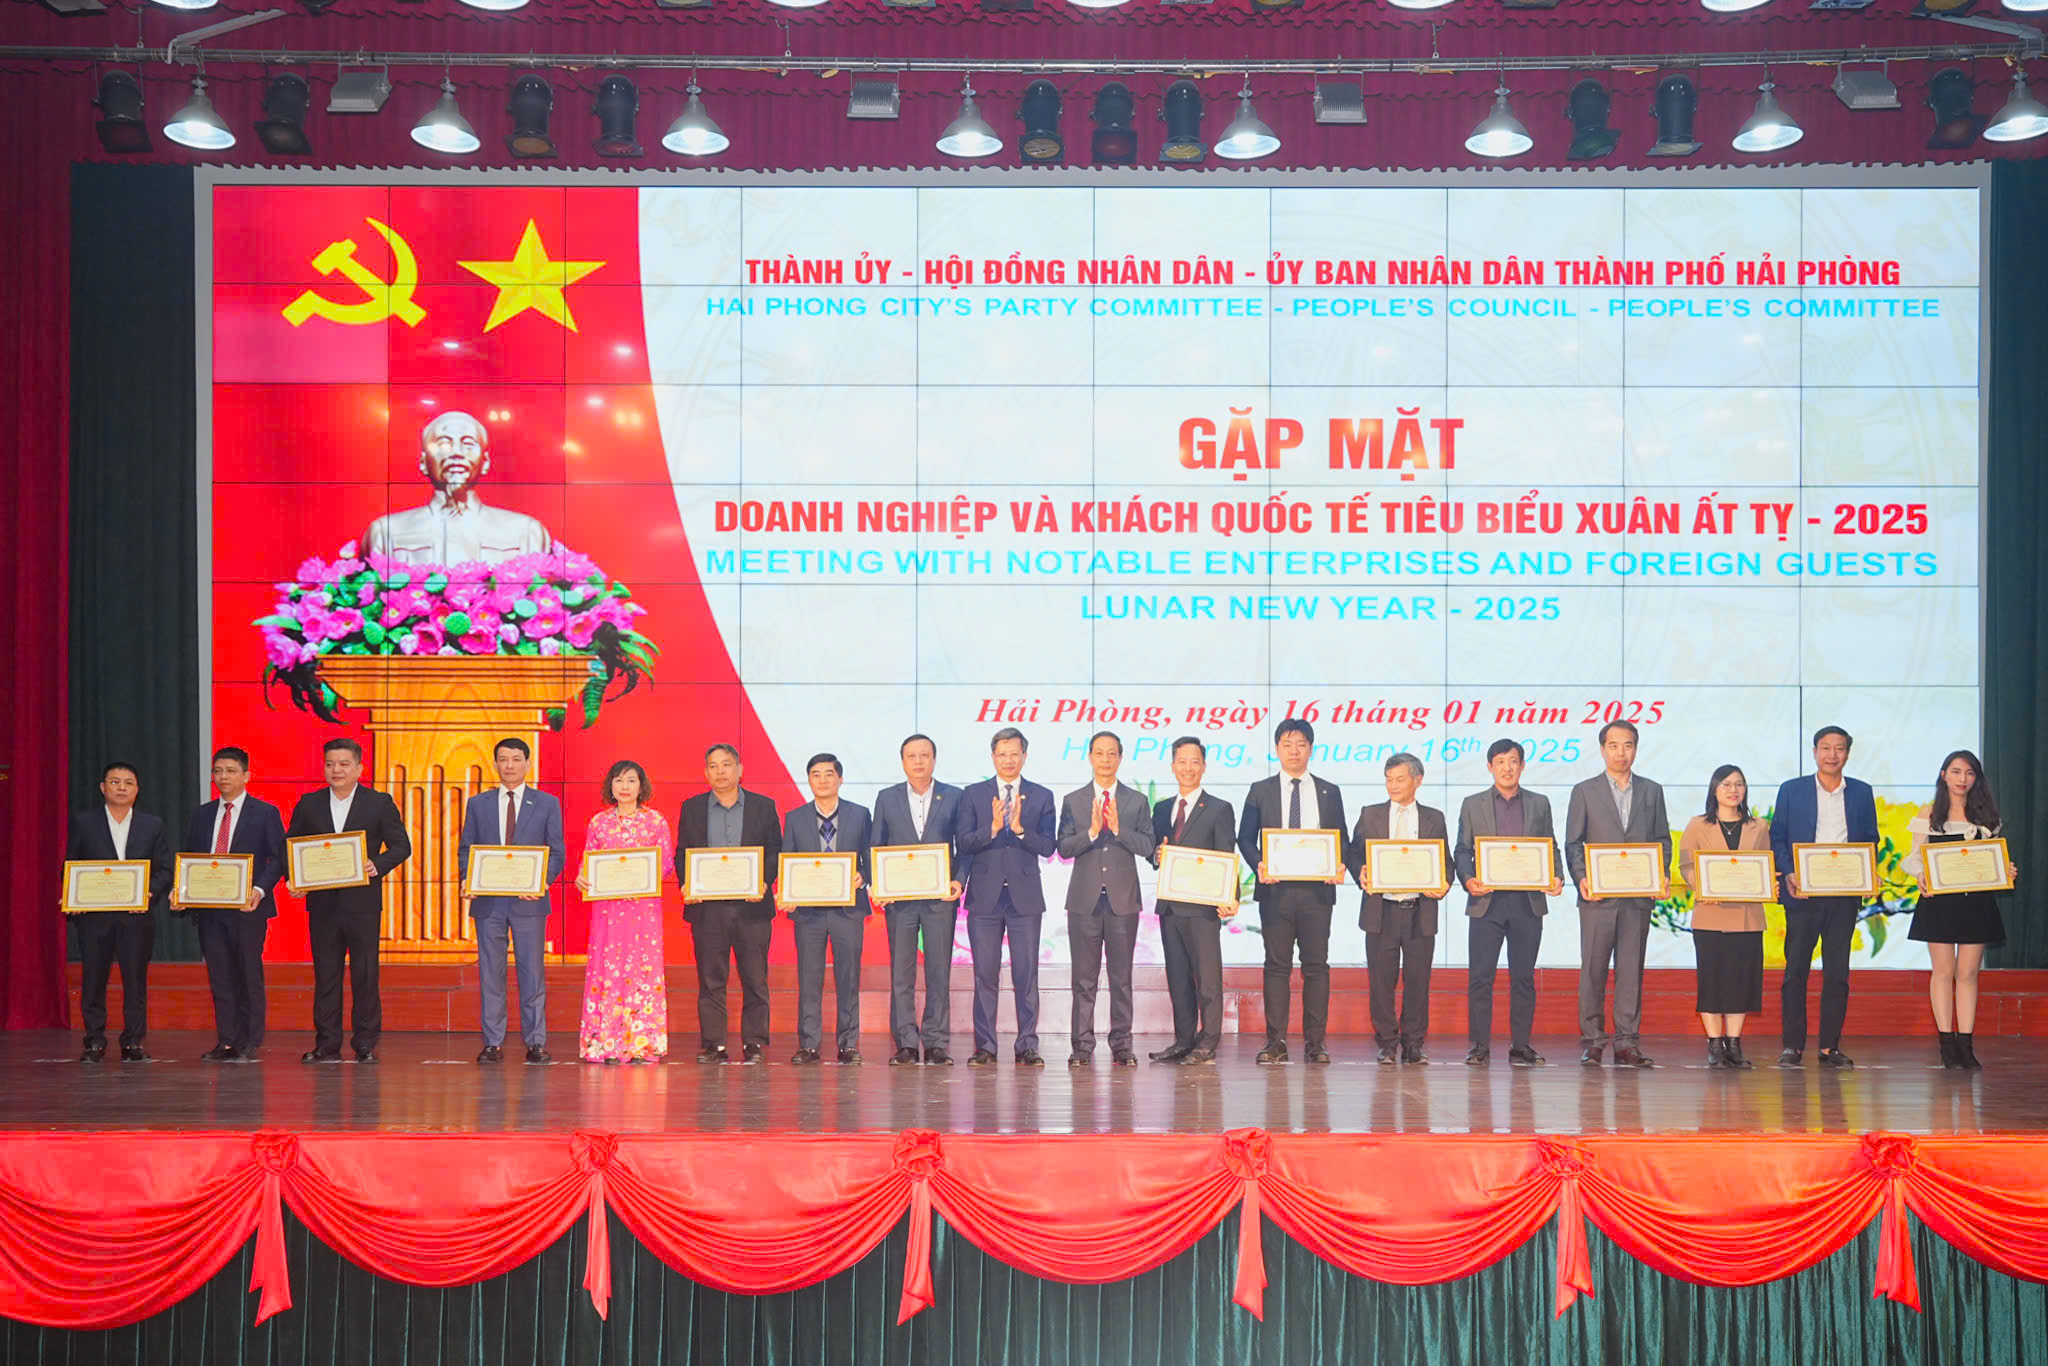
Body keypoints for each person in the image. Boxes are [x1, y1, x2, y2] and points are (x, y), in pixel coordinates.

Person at [286, 738, 412, 1064]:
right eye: (330, 764)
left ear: (359, 768)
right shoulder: (309, 803)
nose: (336, 770)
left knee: (365, 975)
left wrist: (377, 865)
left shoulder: (379, 803)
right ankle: (326, 1044)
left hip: (362, 904)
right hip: (323, 905)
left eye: (344, 764)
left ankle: (365, 1043)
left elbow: (402, 846)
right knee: (326, 975)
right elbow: (292, 847)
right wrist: (294, 879)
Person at [1237, 718, 1351, 1064]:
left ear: (1311, 749)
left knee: (1316, 966)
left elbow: (1342, 839)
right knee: (1276, 966)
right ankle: (1276, 1042)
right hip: (1276, 893)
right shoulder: (1260, 790)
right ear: (1277, 749)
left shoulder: (1330, 791)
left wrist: (1339, 864)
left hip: (1317, 893)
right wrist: (1260, 864)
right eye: (1287, 745)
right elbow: (1245, 838)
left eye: (1301, 744)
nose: (1294, 751)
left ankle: (1316, 1044)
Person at [1768, 725, 1879, 1069]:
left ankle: (1830, 1047)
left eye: (1839, 748)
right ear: (1814, 752)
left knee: (1837, 974)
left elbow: (1871, 839)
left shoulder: (1862, 792)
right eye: (1826, 748)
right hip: (1802, 894)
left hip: (1844, 896)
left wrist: (1868, 871)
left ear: (1848, 753)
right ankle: (1792, 1046)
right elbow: (1778, 837)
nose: (1833, 755)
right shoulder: (1792, 790)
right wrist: (1789, 872)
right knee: (1795, 972)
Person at [1563, 720, 1672, 1068]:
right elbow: (1573, 842)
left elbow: (1662, 840)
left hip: (1637, 899)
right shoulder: (1584, 791)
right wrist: (1581, 878)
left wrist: (1662, 873)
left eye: (1627, 745)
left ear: (1635, 749)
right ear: (1602, 750)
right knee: (1593, 971)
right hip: (1597, 899)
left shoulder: (1652, 791)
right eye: (1613, 745)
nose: (1620, 752)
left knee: (1630, 972)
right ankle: (1593, 1042)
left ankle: (1627, 1043)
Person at [1905, 750, 2020, 1071]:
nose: (1962, 779)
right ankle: (1947, 1044)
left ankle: (1966, 1046)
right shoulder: (1929, 814)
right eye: (1956, 772)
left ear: (1977, 779)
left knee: (1968, 974)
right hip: (1939, 902)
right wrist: (1921, 875)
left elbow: (1993, 859)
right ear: (1944, 775)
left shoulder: (1987, 816)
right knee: (1943, 972)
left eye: (1969, 773)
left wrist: (2006, 870)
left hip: (1976, 903)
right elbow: (1913, 857)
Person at [1454, 739, 1564, 1066]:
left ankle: (1521, 1045)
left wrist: (1557, 875)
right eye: (1500, 762)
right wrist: (1468, 879)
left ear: (1522, 766)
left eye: (1513, 761)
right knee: (1481, 977)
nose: (1507, 768)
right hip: (1486, 902)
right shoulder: (1472, 804)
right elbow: (1462, 850)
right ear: (1490, 767)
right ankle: (1479, 1046)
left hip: (1527, 903)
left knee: (1523, 978)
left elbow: (1550, 846)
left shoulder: (1539, 803)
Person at [458, 738, 566, 1064]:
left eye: (516, 759)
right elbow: (467, 848)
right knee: (491, 973)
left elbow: (557, 851)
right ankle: (492, 1042)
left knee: (532, 972)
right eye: (503, 759)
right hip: (488, 902)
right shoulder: (477, 804)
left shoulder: (546, 803)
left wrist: (543, 881)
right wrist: (467, 877)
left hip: (528, 901)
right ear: (495, 764)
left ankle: (536, 1042)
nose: (509, 765)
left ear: (527, 764)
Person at [173, 746, 285, 1062]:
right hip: (209, 909)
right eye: (218, 771)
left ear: (246, 775)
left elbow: (279, 858)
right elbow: (190, 859)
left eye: (231, 771)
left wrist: (259, 890)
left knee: (248, 973)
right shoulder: (202, 814)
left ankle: (250, 1040)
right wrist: (182, 891)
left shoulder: (265, 813)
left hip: (248, 908)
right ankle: (226, 1040)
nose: (223, 777)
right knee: (220, 975)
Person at [675, 743, 782, 1064]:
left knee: (755, 978)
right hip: (708, 909)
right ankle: (714, 1044)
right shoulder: (692, 808)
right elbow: (683, 852)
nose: (720, 771)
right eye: (713, 766)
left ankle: (754, 1042)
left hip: (752, 907)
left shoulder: (764, 806)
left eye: (726, 764)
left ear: (740, 769)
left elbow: (775, 851)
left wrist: (764, 882)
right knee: (711, 979)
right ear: (705, 772)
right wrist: (687, 883)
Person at [1056, 730, 1156, 1068]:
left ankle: (1122, 1045)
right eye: (1099, 753)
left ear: (1120, 757)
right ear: (1090, 757)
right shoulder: (1074, 800)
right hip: (1083, 901)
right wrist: (1091, 832)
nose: (1105, 759)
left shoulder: (1136, 801)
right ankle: (1082, 1046)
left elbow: (1148, 846)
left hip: (1122, 902)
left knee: (1121, 978)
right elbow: (1063, 848)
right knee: (1083, 980)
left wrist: (1117, 830)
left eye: (1111, 753)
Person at [956, 728, 1055, 1067]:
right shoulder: (973, 795)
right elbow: (964, 842)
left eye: (1015, 754)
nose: (1009, 760)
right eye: (1002, 754)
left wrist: (1022, 829)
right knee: (985, 974)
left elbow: (1049, 847)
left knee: (1026, 974)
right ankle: (985, 1046)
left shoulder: (1041, 796)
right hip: (984, 897)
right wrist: (993, 829)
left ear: (1024, 756)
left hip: (1025, 898)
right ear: (993, 757)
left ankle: (1027, 1045)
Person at [870, 734, 969, 1066]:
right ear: (902, 761)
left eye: (924, 755)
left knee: (939, 971)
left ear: (934, 759)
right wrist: (879, 884)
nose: (918, 762)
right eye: (911, 756)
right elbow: (876, 845)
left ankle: (936, 1042)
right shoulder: (887, 798)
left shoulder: (953, 796)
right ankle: (907, 1044)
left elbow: (964, 846)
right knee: (902, 973)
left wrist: (958, 879)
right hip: (900, 901)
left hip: (940, 898)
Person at [67, 761, 173, 1063]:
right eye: (115, 782)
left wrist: (149, 891)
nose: (122, 787)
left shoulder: (152, 825)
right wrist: (74, 895)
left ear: (137, 790)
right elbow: (70, 865)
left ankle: (133, 1042)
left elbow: (165, 869)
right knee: (93, 980)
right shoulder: (84, 823)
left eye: (128, 783)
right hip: (95, 917)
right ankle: (94, 1042)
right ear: (103, 788)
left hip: (136, 917)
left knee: (135, 981)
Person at [1352, 752, 1451, 1066]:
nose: (1393, 785)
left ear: (1417, 780)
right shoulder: (1370, 814)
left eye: (1400, 779)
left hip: (1420, 910)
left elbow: (1445, 862)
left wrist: (1445, 883)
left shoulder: (1434, 818)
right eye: (1388, 779)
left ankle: (1413, 1045)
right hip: (1381, 910)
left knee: (1418, 982)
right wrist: (1360, 871)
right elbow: (1354, 854)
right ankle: (1386, 1043)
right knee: (1381, 982)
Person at [1147, 736, 1238, 1065]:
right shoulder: (1161, 809)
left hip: (1203, 908)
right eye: (1182, 762)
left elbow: (1227, 855)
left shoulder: (1219, 809)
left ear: (1204, 766)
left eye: (1194, 761)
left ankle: (1208, 1041)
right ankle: (1184, 1040)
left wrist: (1231, 897)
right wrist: (1156, 854)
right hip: (1170, 906)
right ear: (1173, 766)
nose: (1188, 768)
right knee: (1179, 977)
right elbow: (1154, 852)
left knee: (1208, 977)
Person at [362, 410, 553, 565]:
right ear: (423, 463)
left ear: (485, 462)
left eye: (468, 444)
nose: (456, 452)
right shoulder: (386, 531)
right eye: (443, 443)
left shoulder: (526, 531)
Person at [576, 760, 672, 1063]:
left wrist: (641, 879)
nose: (625, 786)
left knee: (642, 971)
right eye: (619, 780)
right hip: (608, 910)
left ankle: (643, 1045)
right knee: (607, 970)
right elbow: (588, 863)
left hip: (642, 909)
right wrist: (582, 877)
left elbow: (666, 864)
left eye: (631, 780)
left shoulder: (655, 822)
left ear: (642, 786)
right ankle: (604, 1044)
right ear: (610, 786)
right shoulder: (598, 823)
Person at [1676, 765, 1770, 1068]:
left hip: (1747, 917)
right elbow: (1686, 864)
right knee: (1712, 981)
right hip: (1710, 915)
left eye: (1739, 784)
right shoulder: (1697, 825)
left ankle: (1734, 1044)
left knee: (1741, 981)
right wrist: (1701, 887)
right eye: (1726, 784)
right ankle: (1715, 1044)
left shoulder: (1759, 826)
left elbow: (1765, 865)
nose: (1733, 790)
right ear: (1714, 789)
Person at [780, 753, 871, 1065]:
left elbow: (871, 855)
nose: (822, 780)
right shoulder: (795, 817)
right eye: (816, 774)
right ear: (809, 780)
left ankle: (849, 1045)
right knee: (809, 978)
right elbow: (788, 859)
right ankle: (808, 1045)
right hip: (809, 913)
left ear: (840, 779)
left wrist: (864, 876)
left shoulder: (860, 814)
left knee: (849, 977)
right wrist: (787, 891)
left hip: (848, 910)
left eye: (829, 774)